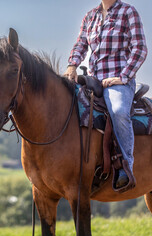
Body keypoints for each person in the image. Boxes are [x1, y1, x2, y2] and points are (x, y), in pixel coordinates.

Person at [64, 0, 148, 190]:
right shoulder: (90, 16)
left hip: (118, 80)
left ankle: (126, 167)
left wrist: (123, 77)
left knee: (118, 111)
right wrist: (72, 65)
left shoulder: (128, 12)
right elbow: (80, 45)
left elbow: (140, 49)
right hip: (92, 79)